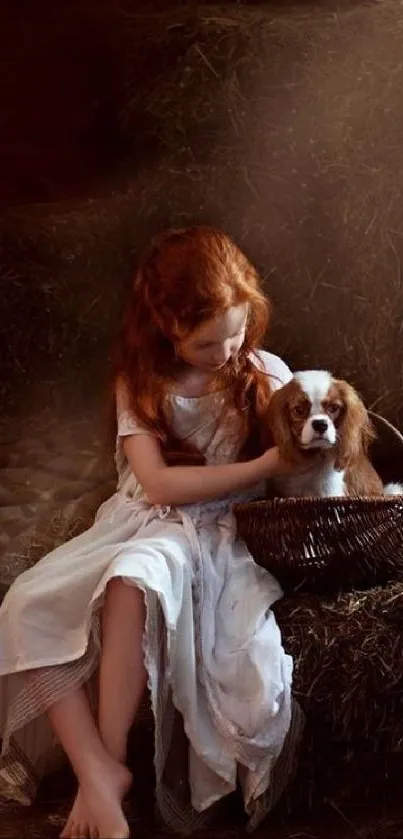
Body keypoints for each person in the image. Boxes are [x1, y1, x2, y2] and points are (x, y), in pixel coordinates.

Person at [0, 226, 304, 839]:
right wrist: (263, 466)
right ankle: (99, 770)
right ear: (167, 327)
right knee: (25, 604)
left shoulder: (264, 372)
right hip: (145, 518)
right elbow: (158, 487)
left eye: (238, 330)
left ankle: (104, 766)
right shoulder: (141, 382)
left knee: (134, 578)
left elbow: (302, 455)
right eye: (206, 341)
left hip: (216, 533)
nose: (227, 349)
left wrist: (293, 466)